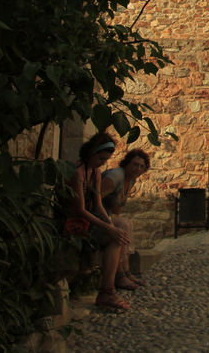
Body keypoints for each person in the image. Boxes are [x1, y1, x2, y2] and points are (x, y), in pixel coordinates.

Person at [66, 132, 130, 312]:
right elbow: (80, 209)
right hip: (73, 222)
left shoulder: (95, 173)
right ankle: (107, 291)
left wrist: (109, 225)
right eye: (101, 158)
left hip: (87, 220)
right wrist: (107, 229)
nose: (102, 162)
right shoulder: (77, 173)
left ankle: (110, 288)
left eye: (105, 159)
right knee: (113, 237)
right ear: (91, 153)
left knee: (117, 233)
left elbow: (99, 205)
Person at [101, 149, 150, 290]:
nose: (137, 169)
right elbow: (95, 199)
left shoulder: (130, 180)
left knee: (125, 223)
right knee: (122, 225)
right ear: (126, 163)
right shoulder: (115, 176)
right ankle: (121, 275)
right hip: (96, 217)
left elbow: (117, 208)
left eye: (141, 166)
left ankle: (126, 272)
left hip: (107, 216)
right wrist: (110, 222)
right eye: (135, 164)